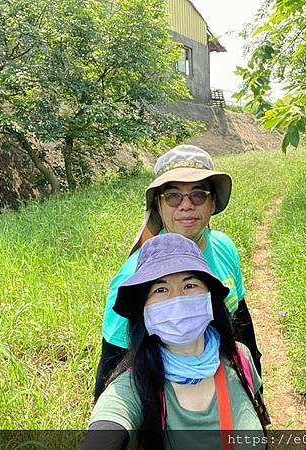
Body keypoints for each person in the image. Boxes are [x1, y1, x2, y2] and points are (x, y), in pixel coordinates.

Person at [94, 145, 261, 401]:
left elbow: (240, 320)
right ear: (158, 206)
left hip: (224, 391)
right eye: (172, 196)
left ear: (213, 202)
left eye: (198, 194)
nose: (185, 205)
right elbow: (114, 366)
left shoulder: (224, 247)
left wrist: (254, 387)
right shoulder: (132, 277)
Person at [85, 233, 268, 449]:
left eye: (190, 285)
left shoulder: (240, 358)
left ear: (210, 297)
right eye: (161, 290)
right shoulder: (134, 387)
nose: (177, 299)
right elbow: (109, 422)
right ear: (145, 311)